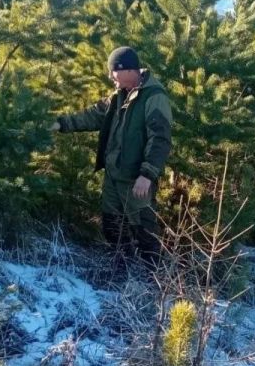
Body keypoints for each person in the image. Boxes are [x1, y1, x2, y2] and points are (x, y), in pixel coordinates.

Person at [51, 46, 172, 267]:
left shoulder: (154, 96)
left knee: (144, 230)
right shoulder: (119, 95)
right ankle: (121, 268)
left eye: (113, 72)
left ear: (128, 70)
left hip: (136, 179)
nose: (110, 77)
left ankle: (153, 278)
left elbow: (160, 139)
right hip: (114, 176)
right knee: (112, 226)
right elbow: (93, 115)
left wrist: (147, 174)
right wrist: (61, 124)